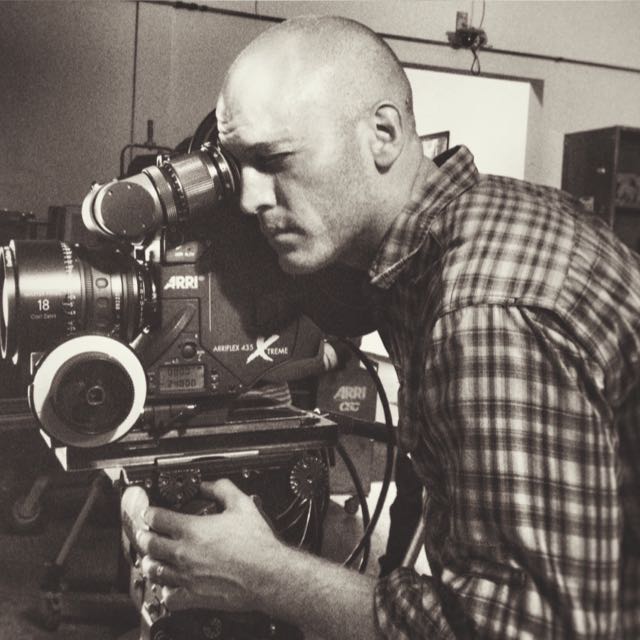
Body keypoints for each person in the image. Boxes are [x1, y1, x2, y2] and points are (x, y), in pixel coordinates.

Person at [126, 15, 640, 639]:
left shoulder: (480, 312)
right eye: (239, 168)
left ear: (384, 134)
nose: (250, 199)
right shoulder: (480, 224)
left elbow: (526, 631)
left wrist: (264, 574)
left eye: (273, 159)